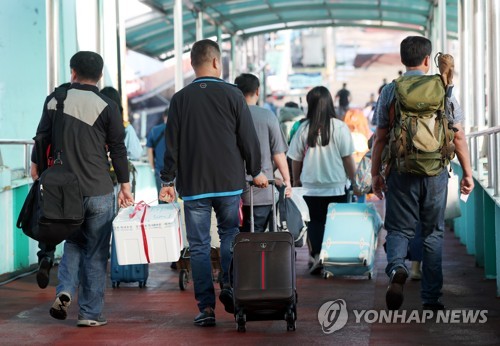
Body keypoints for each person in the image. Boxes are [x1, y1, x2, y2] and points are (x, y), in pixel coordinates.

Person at [158, 39, 267, 327]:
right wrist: (255, 170)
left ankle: (206, 308)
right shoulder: (233, 96)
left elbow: (172, 146)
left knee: (199, 246)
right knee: (230, 234)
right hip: (230, 182)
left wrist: (167, 180)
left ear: (192, 64)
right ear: (217, 62)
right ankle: (229, 285)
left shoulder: (180, 99)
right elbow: (248, 138)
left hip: (193, 185)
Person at [370, 36, 474, 311]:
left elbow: (380, 137)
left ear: (403, 60)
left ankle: (396, 269)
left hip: (401, 170)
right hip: (436, 171)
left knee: (399, 229)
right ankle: (431, 298)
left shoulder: (391, 91)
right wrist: (468, 173)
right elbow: (458, 135)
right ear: (427, 60)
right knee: (432, 233)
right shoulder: (444, 88)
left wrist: (375, 174)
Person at [32, 51, 134, 327]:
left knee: (73, 242)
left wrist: (36, 166)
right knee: (96, 250)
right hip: (99, 188)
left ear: (72, 72)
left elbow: (41, 137)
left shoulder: (55, 100)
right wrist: (125, 185)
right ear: (100, 76)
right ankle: (89, 313)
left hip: (64, 192)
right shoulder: (107, 105)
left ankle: (65, 288)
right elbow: (118, 149)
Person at [288, 86, 356, 275]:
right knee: (335, 223)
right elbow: (348, 159)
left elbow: (295, 159)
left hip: (310, 187)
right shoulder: (339, 127)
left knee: (315, 223)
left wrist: (296, 181)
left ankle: (317, 256)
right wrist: (355, 181)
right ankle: (331, 258)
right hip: (336, 187)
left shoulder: (304, 128)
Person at [234, 73, 292, 232]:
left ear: (236, 91)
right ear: (258, 91)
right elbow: (278, 154)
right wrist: (287, 180)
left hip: (233, 192)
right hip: (262, 191)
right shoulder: (268, 116)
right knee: (257, 238)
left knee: (234, 237)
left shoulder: (230, 117)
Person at [100, 87, 143, 161]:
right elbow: (136, 153)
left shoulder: (92, 126)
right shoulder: (126, 127)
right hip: (118, 169)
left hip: (96, 169)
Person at [146, 107, 169, 195]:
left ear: (164, 116)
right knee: (175, 201)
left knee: (162, 197)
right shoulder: (179, 130)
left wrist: (152, 167)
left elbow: (149, 149)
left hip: (160, 171)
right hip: (176, 171)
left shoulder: (154, 130)